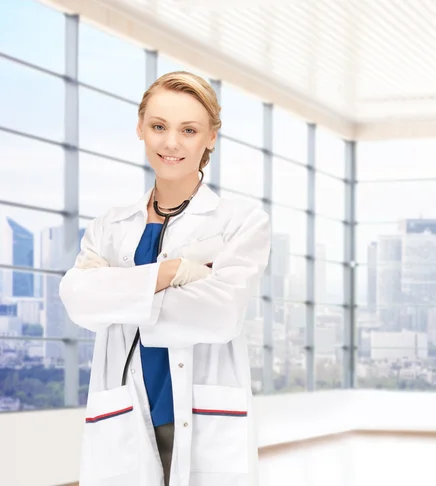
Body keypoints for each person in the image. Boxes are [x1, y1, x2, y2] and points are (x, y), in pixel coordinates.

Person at [59, 71, 271, 486]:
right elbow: (77, 301)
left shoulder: (240, 222)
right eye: (158, 127)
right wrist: (173, 273)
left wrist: (118, 292)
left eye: (188, 130)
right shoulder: (110, 225)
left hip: (199, 413)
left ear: (210, 137)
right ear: (140, 129)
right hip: (125, 411)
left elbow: (221, 314)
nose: (171, 143)